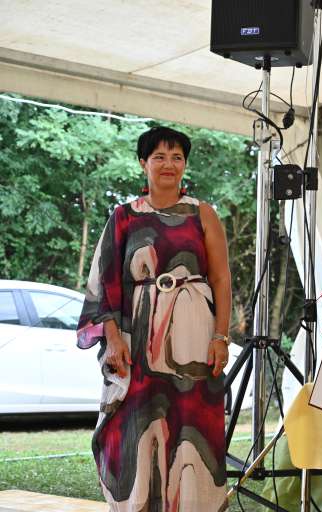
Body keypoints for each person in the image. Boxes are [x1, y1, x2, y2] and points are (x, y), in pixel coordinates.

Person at [77, 126, 232, 510]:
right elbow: (106, 283)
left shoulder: (203, 213)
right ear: (143, 163)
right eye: (159, 157)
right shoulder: (124, 216)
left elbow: (221, 279)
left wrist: (220, 337)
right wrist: (113, 339)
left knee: (190, 422)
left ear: (185, 165)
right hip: (138, 340)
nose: (168, 164)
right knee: (135, 424)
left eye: (177, 157)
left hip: (194, 337)